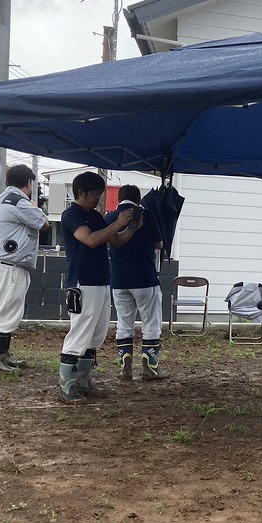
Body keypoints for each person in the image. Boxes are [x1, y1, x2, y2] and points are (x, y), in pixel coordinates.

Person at [58, 171, 137, 404]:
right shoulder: (71, 215)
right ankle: (67, 385)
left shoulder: (96, 216)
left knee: (96, 334)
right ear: (80, 193)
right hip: (83, 282)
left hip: (102, 281)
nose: (97, 199)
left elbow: (115, 241)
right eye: (94, 194)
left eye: (99, 194)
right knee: (80, 332)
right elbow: (91, 239)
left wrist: (131, 228)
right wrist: (118, 224)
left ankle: (83, 380)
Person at [0, 164, 48, 375]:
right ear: (28, 182)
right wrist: (33, 204)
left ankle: (3, 355)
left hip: (4, 266)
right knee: (5, 314)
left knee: (7, 312)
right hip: (11, 267)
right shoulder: (19, 201)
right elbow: (44, 223)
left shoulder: (3, 198)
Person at [104, 184, 167, 382]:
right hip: (144, 278)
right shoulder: (145, 215)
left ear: (119, 199)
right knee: (151, 322)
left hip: (119, 280)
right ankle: (150, 368)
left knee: (124, 322)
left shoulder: (110, 218)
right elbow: (159, 244)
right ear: (138, 199)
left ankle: (126, 368)